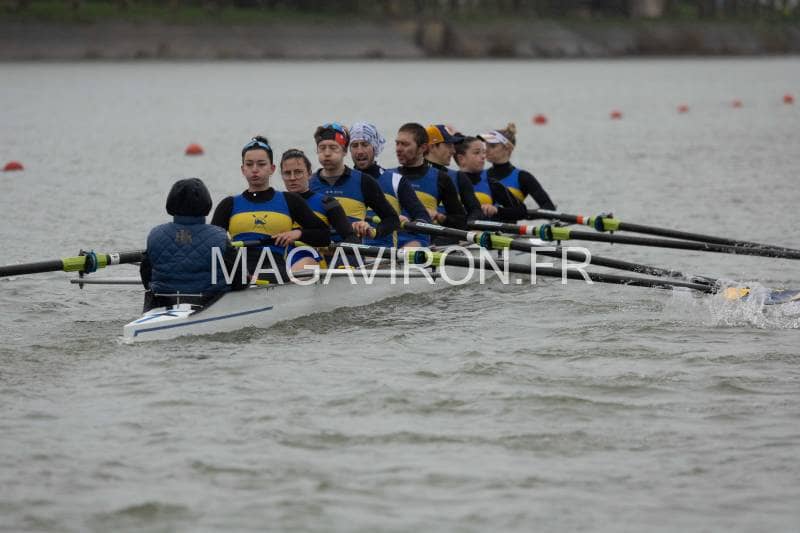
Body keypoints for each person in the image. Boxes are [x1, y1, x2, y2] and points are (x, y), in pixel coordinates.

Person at [211, 136, 330, 278]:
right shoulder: (228, 204)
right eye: (249, 164)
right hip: (240, 272)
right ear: (243, 169)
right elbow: (211, 245)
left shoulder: (290, 200)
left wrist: (297, 234)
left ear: (272, 169)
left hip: (277, 272)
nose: (255, 170)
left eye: (261, 164)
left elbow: (324, 235)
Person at [140, 178, 245, 312]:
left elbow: (146, 274)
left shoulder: (155, 234)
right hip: (208, 305)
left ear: (171, 203)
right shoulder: (219, 236)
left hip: (161, 303)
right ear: (206, 204)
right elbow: (240, 280)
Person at [372, 122, 464, 248]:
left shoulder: (441, 178)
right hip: (390, 241)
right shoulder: (388, 176)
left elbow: (460, 222)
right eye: (397, 143)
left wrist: (440, 217)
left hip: (418, 242)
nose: (398, 149)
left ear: (422, 148)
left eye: (405, 144)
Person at [308, 122, 400, 243]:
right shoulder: (309, 183)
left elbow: (392, 220)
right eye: (322, 148)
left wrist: (372, 232)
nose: (327, 153)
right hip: (317, 251)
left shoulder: (364, 181)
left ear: (345, 150)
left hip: (351, 251)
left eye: (333, 147)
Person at [280, 148, 356, 244]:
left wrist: (300, 234)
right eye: (287, 173)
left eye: (298, 172)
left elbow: (351, 238)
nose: (292, 178)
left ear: (309, 174)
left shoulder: (327, 202)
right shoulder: (276, 202)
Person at [478, 123, 556, 210]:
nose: (486, 150)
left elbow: (549, 207)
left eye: (492, 146)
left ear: (507, 149)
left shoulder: (523, 178)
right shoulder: (478, 175)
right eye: (486, 145)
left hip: (510, 218)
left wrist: (523, 213)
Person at [454, 136, 526, 222]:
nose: (483, 156)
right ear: (461, 159)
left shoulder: (492, 184)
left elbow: (521, 211)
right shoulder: (448, 182)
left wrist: (497, 210)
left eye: (483, 152)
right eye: (477, 153)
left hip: (484, 229)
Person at [425, 123, 483, 224]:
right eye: (448, 145)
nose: (453, 151)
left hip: (448, 231)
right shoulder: (407, 175)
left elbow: (476, 212)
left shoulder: (459, 177)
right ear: (432, 147)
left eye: (453, 146)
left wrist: (444, 219)